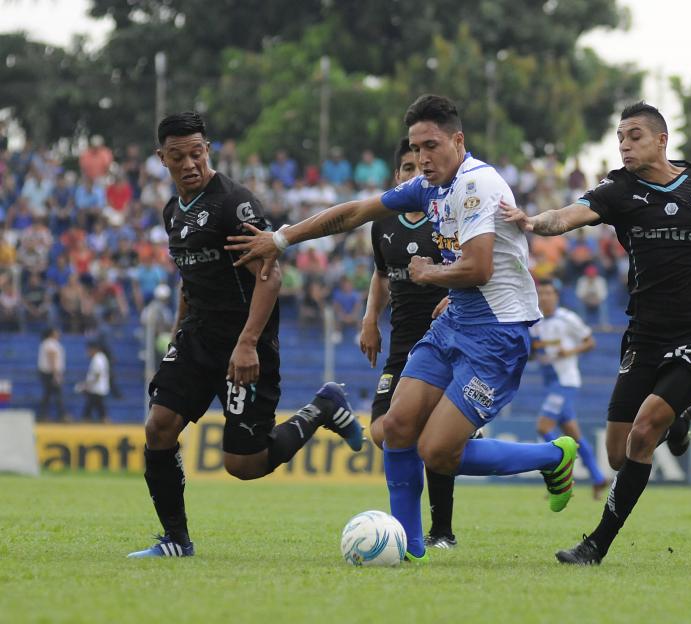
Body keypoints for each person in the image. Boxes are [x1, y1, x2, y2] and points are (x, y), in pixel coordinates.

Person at [226, 94, 581, 562]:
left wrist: (429, 274)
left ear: (458, 140)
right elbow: (353, 212)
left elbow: (478, 270)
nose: (422, 159)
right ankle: (411, 549)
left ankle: (553, 457)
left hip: (497, 335)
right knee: (394, 429)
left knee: (437, 452)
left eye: (432, 146)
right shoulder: (428, 186)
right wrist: (281, 237)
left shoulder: (478, 184)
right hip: (454, 323)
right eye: (415, 149)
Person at [500, 101, 691, 565]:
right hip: (645, 335)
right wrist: (532, 222)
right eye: (620, 137)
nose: (625, 144)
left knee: (644, 433)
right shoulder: (619, 189)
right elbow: (569, 215)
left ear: (661, 140)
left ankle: (595, 546)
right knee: (618, 455)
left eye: (634, 136)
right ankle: (679, 417)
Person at [128, 112, 363, 559]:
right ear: (162, 159)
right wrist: (180, 333)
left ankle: (322, 408)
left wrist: (248, 342)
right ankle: (176, 539)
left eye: (197, 152)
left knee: (244, 464)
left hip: (245, 343)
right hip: (198, 338)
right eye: (178, 156)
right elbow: (188, 278)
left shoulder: (234, 204)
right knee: (158, 428)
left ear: (208, 149)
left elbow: (269, 278)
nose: (190, 163)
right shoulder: (171, 211)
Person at [359, 138, 459, 549]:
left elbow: (472, 267)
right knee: (384, 431)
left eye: (420, 167)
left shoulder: (447, 217)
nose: (413, 174)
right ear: (395, 176)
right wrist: (369, 319)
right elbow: (382, 276)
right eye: (405, 168)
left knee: (429, 441)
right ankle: (410, 528)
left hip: (446, 342)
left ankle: (440, 532)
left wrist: (453, 294)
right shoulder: (383, 224)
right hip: (401, 346)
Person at [530, 280, 608, 499]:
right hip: (550, 384)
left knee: (544, 427)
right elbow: (535, 352)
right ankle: (598, 478)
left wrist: (570, 350)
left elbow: (590, 342)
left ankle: (560, 479)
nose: (544, 297)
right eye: (541, 293)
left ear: (556, 296)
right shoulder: (535, 322)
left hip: (565, 382)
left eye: (549, 293)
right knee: (574, 435)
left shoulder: (568, 318)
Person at [37, 327, 66, 421]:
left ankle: (43, 414)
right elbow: (52, 358)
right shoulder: (50, 343)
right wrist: (56, 374)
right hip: (50, 373)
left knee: (48, 395)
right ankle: (61, 415)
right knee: (57, 394)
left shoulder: (46, 343)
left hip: (47, 373)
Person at [77, 341, 109, 422]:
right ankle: (102, 419)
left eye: (88, 350)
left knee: (92, 406)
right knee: (97, 407)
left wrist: (87, 385)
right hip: (98, 387)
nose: (87, 352)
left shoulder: (97, 359)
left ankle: (87, 419)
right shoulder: (101, 357)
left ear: (93, 349)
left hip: (96, 387)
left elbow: (97, 375)